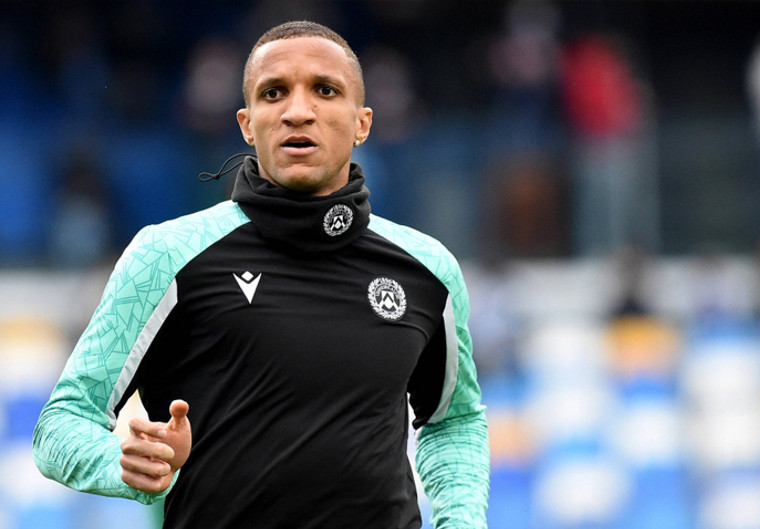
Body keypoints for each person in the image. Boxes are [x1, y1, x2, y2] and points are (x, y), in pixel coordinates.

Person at [33, 20, 489, 529]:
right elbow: (62, 421)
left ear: (362, 123)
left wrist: (461, 522)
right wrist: (123, 464)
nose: (298, 111)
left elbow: (454, 421)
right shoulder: (167, 254)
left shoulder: (428, 270)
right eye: (274, 93)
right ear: (247, 124)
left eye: (325, 90)